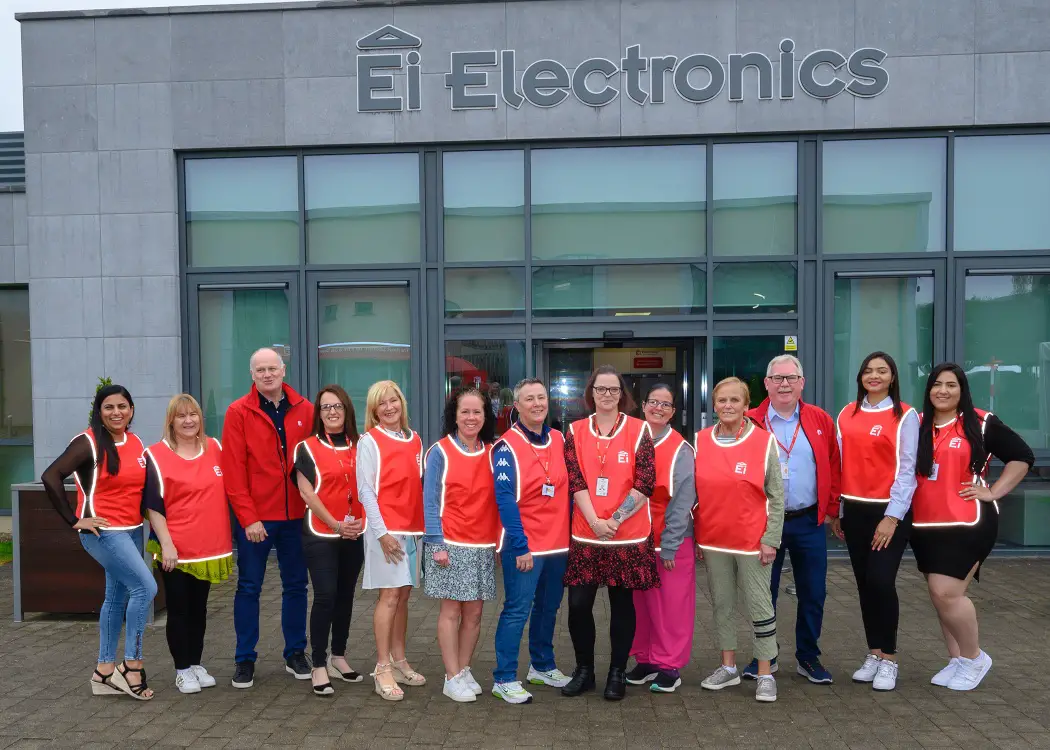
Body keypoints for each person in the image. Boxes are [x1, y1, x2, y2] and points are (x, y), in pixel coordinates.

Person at [912, 363, 1034, 691]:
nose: (943, 391)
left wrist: (994, 491)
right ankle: (958, 660)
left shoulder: (981, 423)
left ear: (962, 390)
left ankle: (975, 657)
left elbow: (1022, 456)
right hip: (925, 523)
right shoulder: (918, 424)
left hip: (968, 521)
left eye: (951, 385)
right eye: (937, 384)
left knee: (947, 593)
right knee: (939, 596)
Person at [41, 384, 157, 700]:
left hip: (133, 531)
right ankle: (131, 666)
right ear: (99, 411)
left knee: (116, 598)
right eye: (109, 407)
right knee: (145, 588)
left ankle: (104, 672)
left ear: (131, 410)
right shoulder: (88, 443)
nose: (116, 412)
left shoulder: (135, 442)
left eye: (122, 406)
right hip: (104, 533)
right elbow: (51, 476)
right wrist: (74, 520)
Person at [561, 365, 658, 702]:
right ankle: (584, 670)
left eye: (613, 389)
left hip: (626, 533)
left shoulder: (639, 429)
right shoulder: (574, 430)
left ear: (622, 393)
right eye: (600, 389)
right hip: (587, 533)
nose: (606, 395)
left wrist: (614, 520)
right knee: (578, 604)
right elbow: (575, 480)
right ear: (591, 392)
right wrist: (595, 522)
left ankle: (617, 671)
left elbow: (645, 482)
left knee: (622, 603)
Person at [742, 355, 840, 684]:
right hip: (764, 522)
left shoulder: (820, 419)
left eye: (791, 378)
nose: (784, 384)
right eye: (777, 378)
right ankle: (764, 657)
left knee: (812, 592)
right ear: (766, 383)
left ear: (802, 383)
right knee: (763, 593)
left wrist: (831, 509)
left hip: (807, 521)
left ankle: (808, 656)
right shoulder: (750, 421)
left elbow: (834, 464)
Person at [221, 348, 314, 689]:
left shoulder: (306, 409)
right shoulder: (238, 412)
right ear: (252, 374)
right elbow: (234, 471)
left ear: (283, 370)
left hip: (297, 516)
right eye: (260, 369)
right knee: (249, 587)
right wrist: (248, 518)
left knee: (296, 586)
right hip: (256, 519)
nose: (267, 374)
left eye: (272, 368)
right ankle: (244, 658)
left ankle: (295, 652)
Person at [694, 377, 784, 703]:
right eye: (722, 400)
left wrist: (771, 538)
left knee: (760, 606)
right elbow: (694, 493)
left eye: (735, 400)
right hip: (714, 540)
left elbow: (776, 496)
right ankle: (728, 666)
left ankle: (765, 672)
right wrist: (697, 535)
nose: (728, 406)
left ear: (747, 405)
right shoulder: (701, 440)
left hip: (752, 541)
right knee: (723, 605)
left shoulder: (764, 441)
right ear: (714, 405)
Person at [835, 351, 918, 692]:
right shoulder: (846, 413)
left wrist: (892, 517)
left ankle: (890, 659)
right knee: (865, 584)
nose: (874, 376)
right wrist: (839, 511)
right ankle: (874, 653)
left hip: (888, 512)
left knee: (882, 581)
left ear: (892, 377)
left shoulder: (906, 415)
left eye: (882, 371)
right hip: (855, 510)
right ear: (860, 377)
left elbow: (908, 470)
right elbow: (841, 465)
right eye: (868, 370)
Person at [143, 394, 233, 694]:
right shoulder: (156, 455)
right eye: (181, 416)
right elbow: (153, 505)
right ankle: (182, 669)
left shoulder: (216, 448)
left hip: (207, 547)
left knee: (199, 609)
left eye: (193, 414)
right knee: (179, 609)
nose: (188, 420)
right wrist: (167, 544)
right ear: (171, 421)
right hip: (175, 549)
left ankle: (195, 663)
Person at [491, 378, 572, 704]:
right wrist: (520, 545)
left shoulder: (560, 438)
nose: (537, 404)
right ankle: (504, 677)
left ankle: (542, 665)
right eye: (529, 399)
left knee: (549, 607)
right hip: (524, 545)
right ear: (517, 406)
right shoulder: (505, 446)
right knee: (517, 610)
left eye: (541, 397)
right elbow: (505, 499)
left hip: (558, 544)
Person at [423, 387, 501, 703]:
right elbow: (430, 501)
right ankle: (451, 676)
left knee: (475, 613)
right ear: (454, 416)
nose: (471, 417)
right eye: (464, 411)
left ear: (485, 416)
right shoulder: (439, 451)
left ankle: (464, 669)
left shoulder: (494, 452)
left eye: (477, 412)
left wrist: (499, 542)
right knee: (452, 611)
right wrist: (436, 543)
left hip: (482, 545)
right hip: (450, 543)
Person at [292, 385, 365, 697]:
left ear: (347, 410)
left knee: (346, 595)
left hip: (354, 532)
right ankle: (319, 663)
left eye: (337, 406)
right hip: (321, 533)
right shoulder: (306, 448)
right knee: (325, 595)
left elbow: (371, 487)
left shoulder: (361, 444)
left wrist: (362, 522)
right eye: (325, 407)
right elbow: (306, 493)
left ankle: (338, 656)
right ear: (318, 414)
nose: (332, 412)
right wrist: (336, 524)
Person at [356, 380, 426, 701]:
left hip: (412, 529)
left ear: (401, 402)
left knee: (403, 595)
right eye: (381, 403)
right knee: (389, 596)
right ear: (374, 411)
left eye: (393, 400)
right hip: (385, 531)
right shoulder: (369, 441)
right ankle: (382, 667)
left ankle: (399, 661)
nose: (388, 407)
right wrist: (382, 534)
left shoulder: (415, 439)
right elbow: (366, 491)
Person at [626, 383, 696, 693]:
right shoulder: (630, 440)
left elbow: (682, 502)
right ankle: (646, 659)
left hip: (669, 541)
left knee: (671, 607)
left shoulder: (681, 449)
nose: (658, 408)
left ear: (673, 412)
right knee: (641, 606)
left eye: (666, 404)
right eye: (654, 402)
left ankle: (669, 665)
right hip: (635, 540)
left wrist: (669, 546)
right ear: (643, 405)